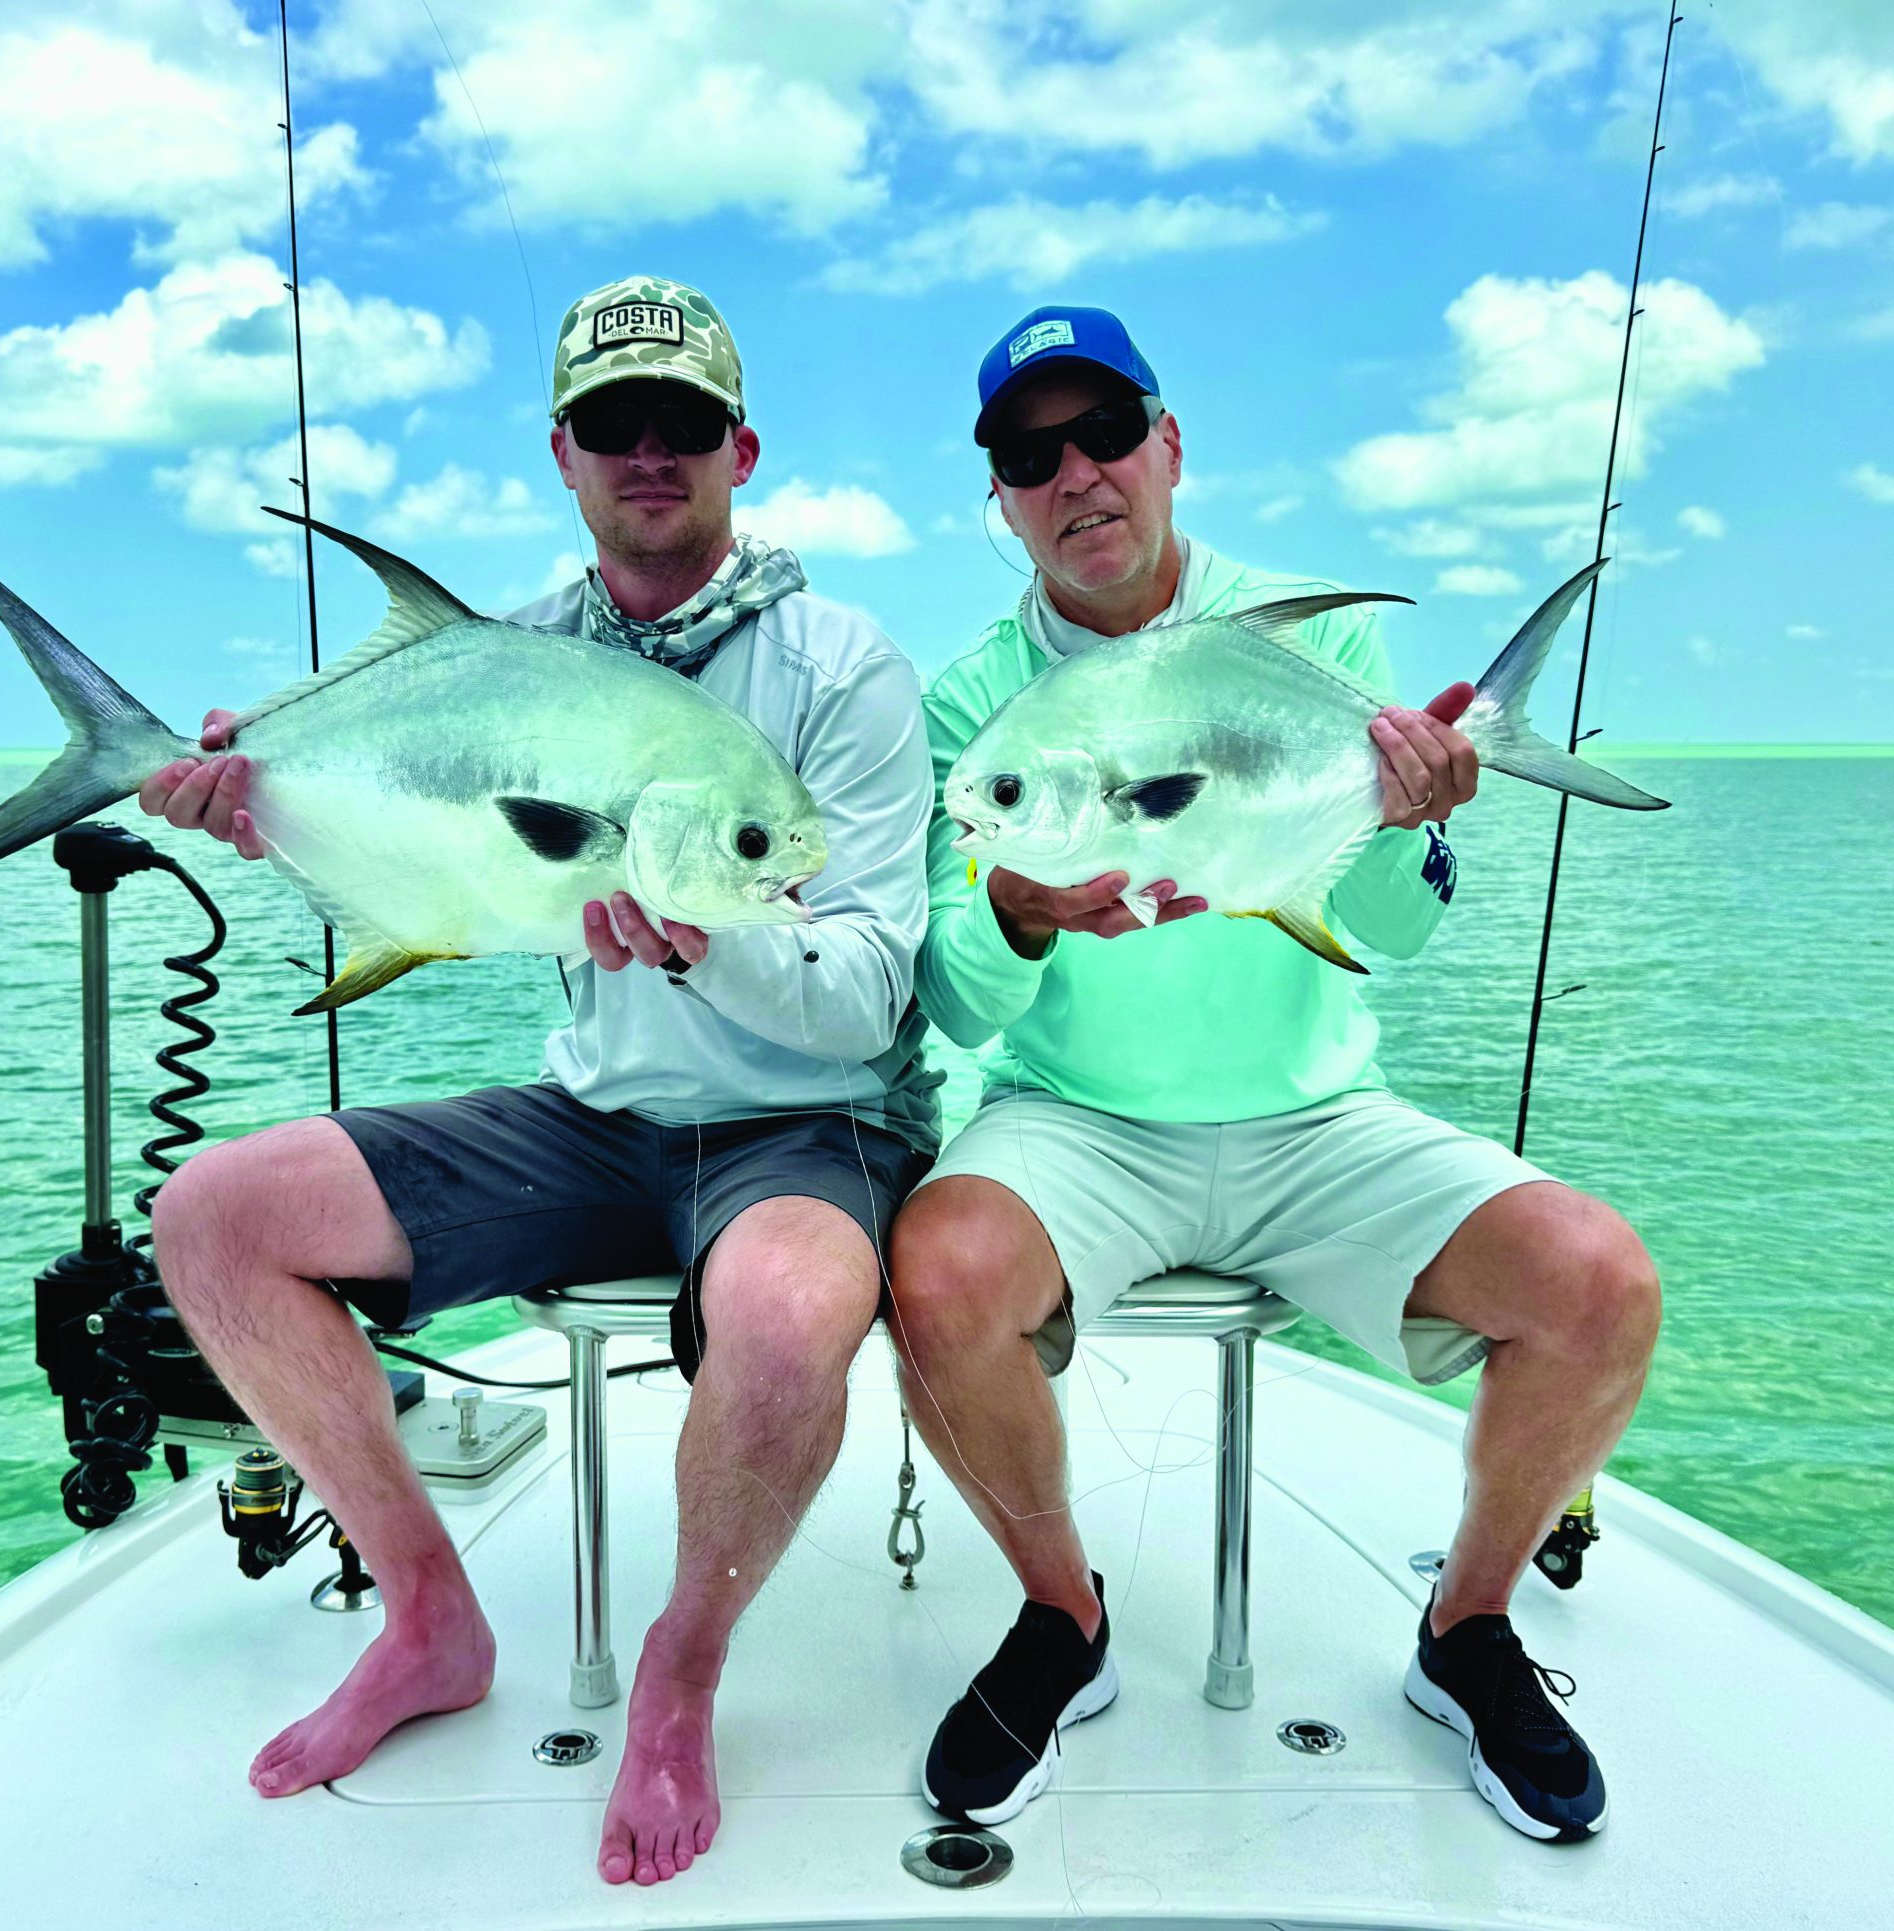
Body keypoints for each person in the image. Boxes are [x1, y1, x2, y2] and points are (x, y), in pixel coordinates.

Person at [139, 275, 939, 1886]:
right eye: (613, 425)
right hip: (597, 1115)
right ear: (562, 456)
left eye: (687, 425)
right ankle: (428, 1617)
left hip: (809, 1121)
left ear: (741, 448)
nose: (653, 454)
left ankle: (683, 1667)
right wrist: (262, 792)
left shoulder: (844, 669)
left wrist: (706, 937)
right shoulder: (514, 661)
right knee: (214, 1218)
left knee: (785, 1315)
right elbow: (440, 857)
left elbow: (863, 1002)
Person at [887, 305, 1658, 1845]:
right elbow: (958, 1017)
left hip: (1317, 1115)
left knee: (1599, 1286)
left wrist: (1402, 819)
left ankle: (1470, 1630)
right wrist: (1012, 910)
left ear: (1170, 447)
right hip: (1077, 1122)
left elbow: (1383, 938)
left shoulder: (1313, 642)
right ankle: (1063, 1620)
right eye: (1030, 456)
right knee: (935, 1272)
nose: (1077, 476)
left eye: (1105, 434)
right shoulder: (973, 706)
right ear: (1002, 501)